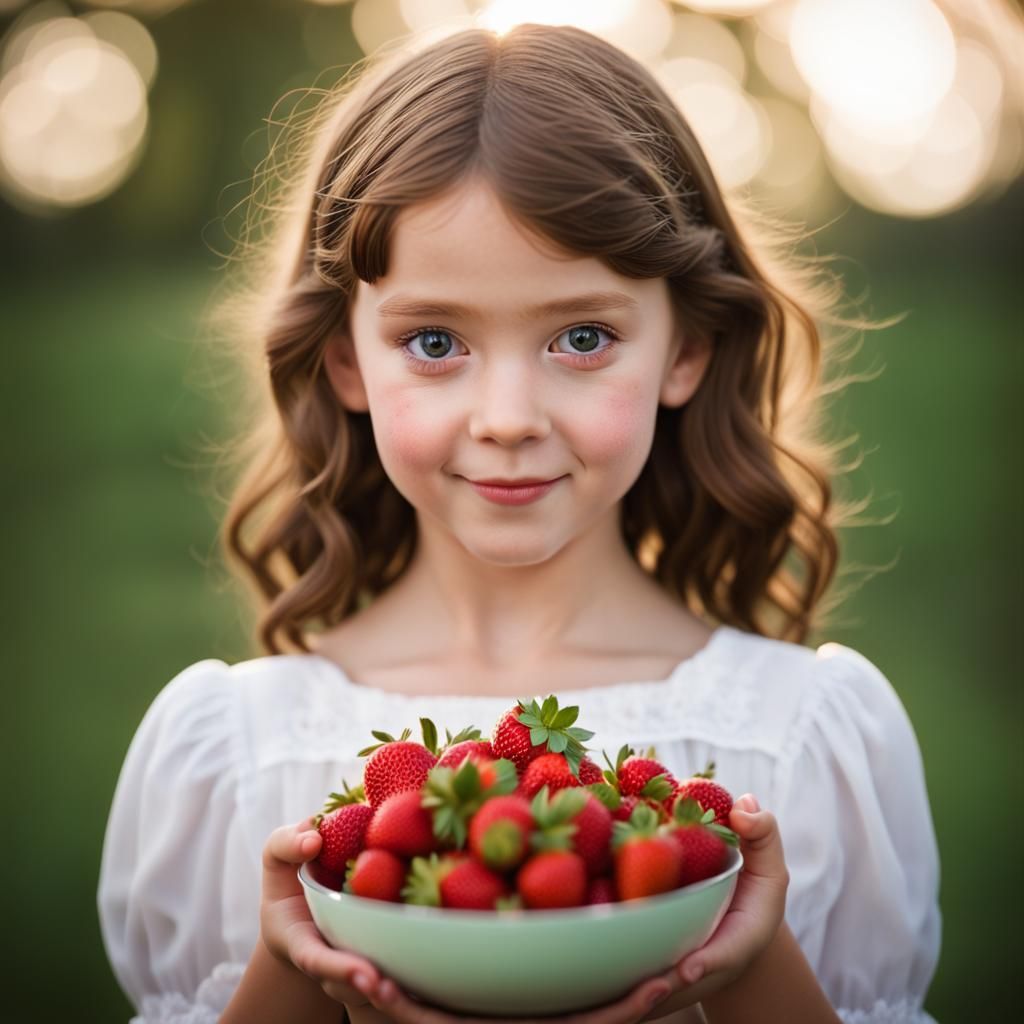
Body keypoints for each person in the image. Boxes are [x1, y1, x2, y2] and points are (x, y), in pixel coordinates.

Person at [97, 22, 941, 1024]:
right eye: (435, 339)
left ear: (686, 349)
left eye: (582, 337)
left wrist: (744, 962)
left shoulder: (801, 742)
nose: (506, 417)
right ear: (342, 361)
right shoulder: (235, 752)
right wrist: (297, 976)